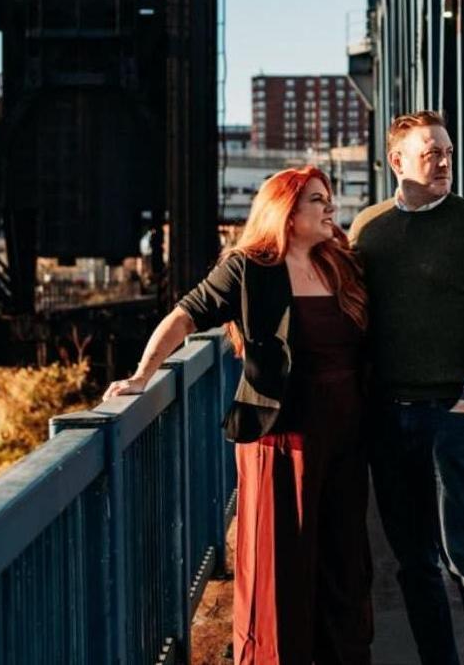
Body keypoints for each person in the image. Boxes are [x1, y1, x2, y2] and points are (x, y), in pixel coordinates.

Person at [104, 166, 372, 665]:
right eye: (318, 199)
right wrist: (142, 375)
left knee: (344, 562)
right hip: (281, 436)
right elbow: (184, 315)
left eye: (328, 197)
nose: (331, 207)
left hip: (346, 436)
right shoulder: (248, 269)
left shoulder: (341, 264)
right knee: (278, 565)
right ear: (286, 213)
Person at [350, 111, 464, 665]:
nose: (444, 162)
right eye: (431, 153)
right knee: (414, 562)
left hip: (453, 414)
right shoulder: (368, 229)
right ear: (397, 161)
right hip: (388, 418)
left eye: (447, 152)